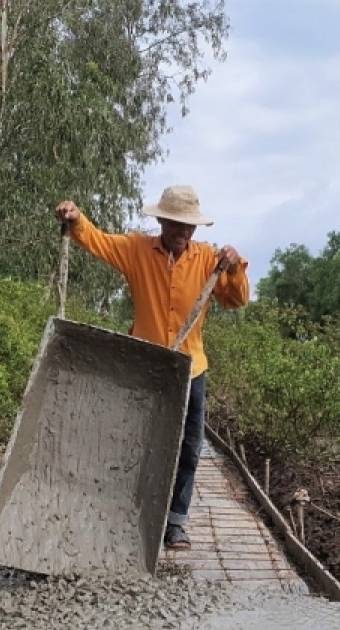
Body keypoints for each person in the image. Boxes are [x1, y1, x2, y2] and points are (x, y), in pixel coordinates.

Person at [55, 185, 249, 550]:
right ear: (161, 220)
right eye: (176, 225)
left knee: (189, 447)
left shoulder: (208, 259)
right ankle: (134, 513)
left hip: (190, 369)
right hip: (146, 367)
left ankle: (175, 522)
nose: (183, 233)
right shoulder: (138, 251)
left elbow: (236, 300)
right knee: (139, 442)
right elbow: (96, 240)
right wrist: (77, 219)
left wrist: (235, 266)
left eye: (189, 227)